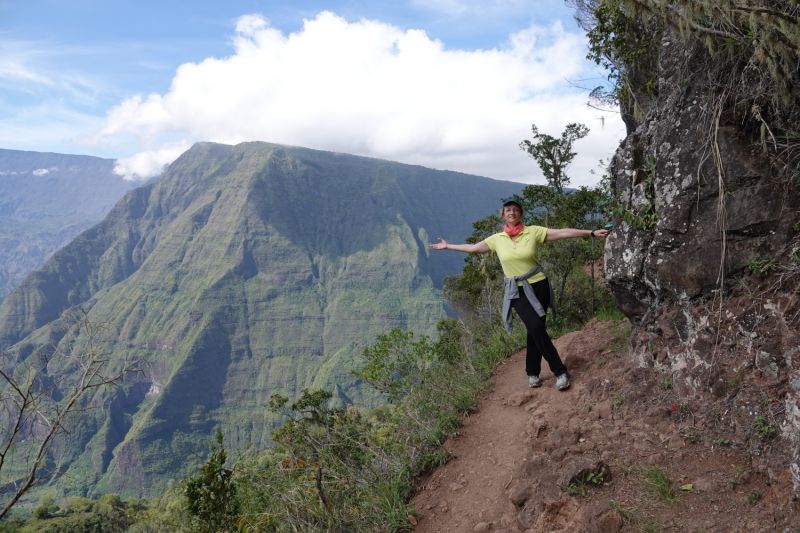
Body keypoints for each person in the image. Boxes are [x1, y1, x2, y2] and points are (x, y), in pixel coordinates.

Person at [430, 199, 609, 391]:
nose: (512, 213)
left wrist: (590, 232)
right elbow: (473, 248)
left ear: (521, 213)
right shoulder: (497, 239)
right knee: (535, 326)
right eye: (508, 210)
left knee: (536, 330)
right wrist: (448, 246)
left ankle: (532, 372)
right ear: (503, 214)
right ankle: (560, 371)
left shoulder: (533, 232)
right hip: (516, 290)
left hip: (538, 285)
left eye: (515, 210)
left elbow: (562, 232)